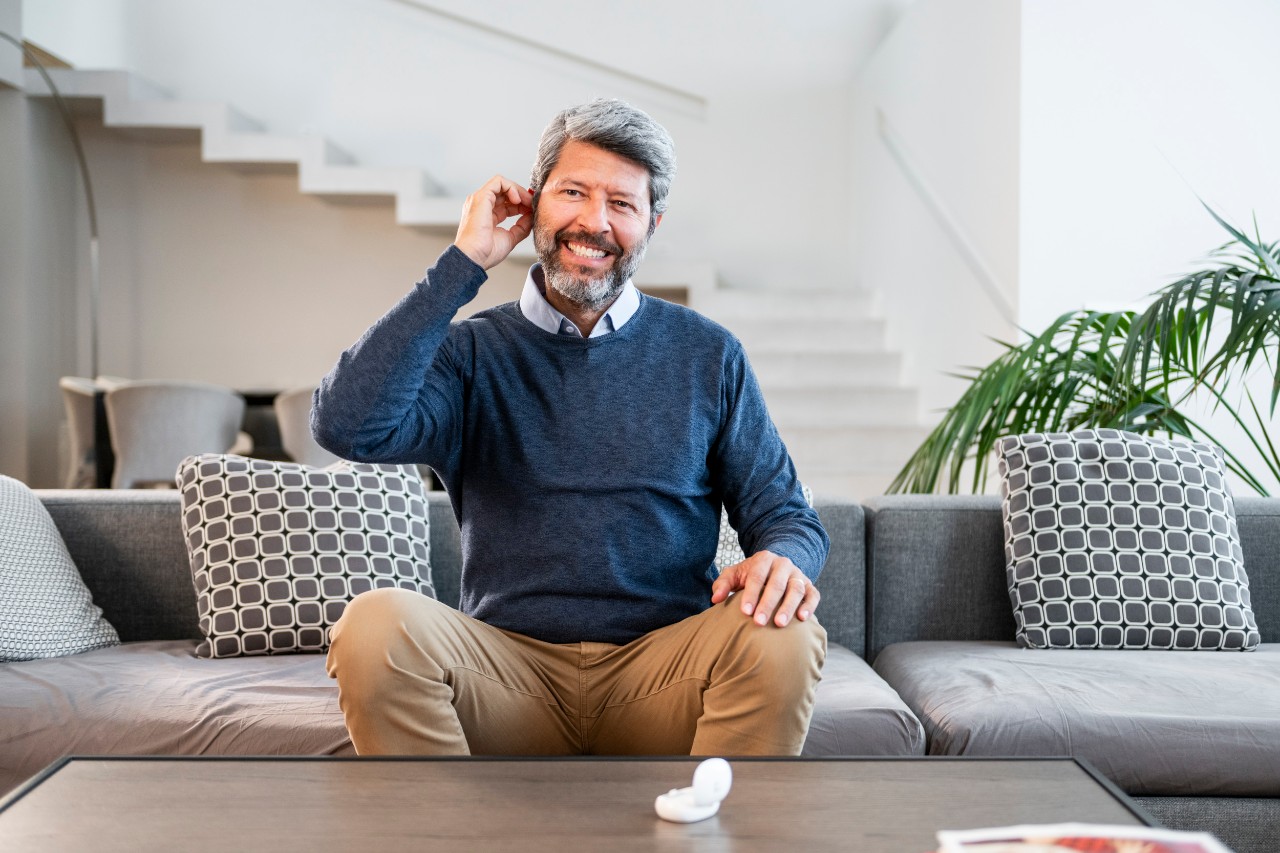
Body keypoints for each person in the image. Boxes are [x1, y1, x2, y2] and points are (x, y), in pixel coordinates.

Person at [312, 98, 829, 757]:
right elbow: (346, 425)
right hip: (504, 677)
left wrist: (784, 560)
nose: (594, 221)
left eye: (622, 203)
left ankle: (710, 829)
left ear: (651, 224)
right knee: (372, 626)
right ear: (533, 203)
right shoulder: (470, 355)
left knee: (786, 630)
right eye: (574, 192)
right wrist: (463, 261)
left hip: (663, 674)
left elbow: (787, 515)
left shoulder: (708, 354)